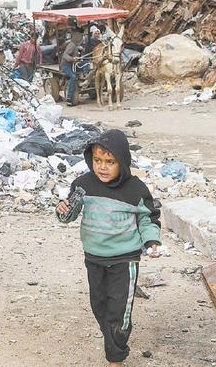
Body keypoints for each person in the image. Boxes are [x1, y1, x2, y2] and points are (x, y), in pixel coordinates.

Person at [56, 129, 162, 366]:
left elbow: (148, 218)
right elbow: (69, 214)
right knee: (100, 306)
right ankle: (112, 341)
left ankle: (115, 356)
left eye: (110, 162)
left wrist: (151, 240)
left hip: (125, 259)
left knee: (118, 312)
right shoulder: (83, 184)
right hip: (94, 257)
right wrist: (63, 211)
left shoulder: (135, 189)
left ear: (122, 162)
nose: (102, 167)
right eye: (98, 161)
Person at [60, 30, 84, 106]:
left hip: (73, 65)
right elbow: (65, 55)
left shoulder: (76, 45)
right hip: (66, 65)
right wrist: (73, 59)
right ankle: (69, 98)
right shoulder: (71, 45)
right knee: (73, 77)